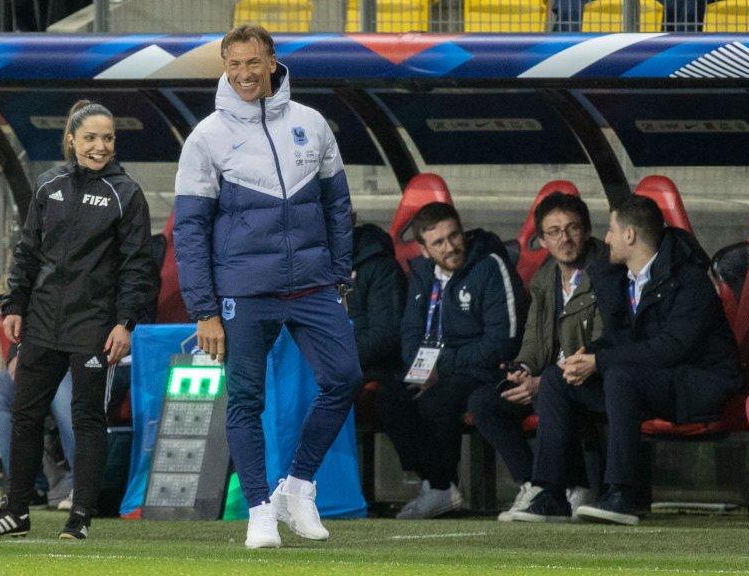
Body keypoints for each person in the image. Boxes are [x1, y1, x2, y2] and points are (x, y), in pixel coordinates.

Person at [173, 24, 361, 549]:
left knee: (345, 377)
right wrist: (204, 310)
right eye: (233, 65)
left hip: (313, 284)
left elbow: (338, 207)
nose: (243, 75)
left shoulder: (313, 123)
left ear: (272, 60)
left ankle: (297, 488)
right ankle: (258, 509)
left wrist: (340, 272)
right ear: (224, 67)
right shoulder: (206, 136)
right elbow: (187, 230)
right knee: (245, 400)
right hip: (244, 291)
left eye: (252, 63)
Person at [0, 100, 158, 540]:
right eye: (91, 137)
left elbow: (138, 267)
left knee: (86, 419)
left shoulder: (126, 194)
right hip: (41, 322)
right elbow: (28, 252)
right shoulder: (48, 185)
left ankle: (81, 517)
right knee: (25, 415)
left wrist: (124, 323)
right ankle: (15, 511)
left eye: (107, 138)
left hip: (93, 325)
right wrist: (13, 305)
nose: (100, 146)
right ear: (71, 139)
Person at [517, 195, 740, 525]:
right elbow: (621, 339)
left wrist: (602, 361)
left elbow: (670, 348)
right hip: (643, 381)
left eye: (610, 230)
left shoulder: (689, 280)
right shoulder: (619, 278)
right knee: (555, 378)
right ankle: (550, 492)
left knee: (620, 376)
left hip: (696, 383)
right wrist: (587, 356)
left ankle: (621, 493)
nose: (605, 239)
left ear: (630, 235)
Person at [383, 202, 526, 519]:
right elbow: (409, 330)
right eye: (439, 243)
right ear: (423, 249)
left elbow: (503, 341)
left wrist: (441, 366)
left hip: (480, 366)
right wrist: (419, 369)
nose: (450, 247)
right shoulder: (421, 273)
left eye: (454, 236)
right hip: (434, 367)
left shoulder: (489, 266)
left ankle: (440, 487)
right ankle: (438, 484)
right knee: (390, 398)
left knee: (438, 400)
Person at [470, 192, 604, 522]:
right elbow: (533, 338)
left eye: (572, 228)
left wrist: (541, 381)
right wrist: (525, 368)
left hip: (588, 377)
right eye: (554, 231)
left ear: (586, 231)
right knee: (485, 401)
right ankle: (535, 483)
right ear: (542, 239)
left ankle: (565, 485)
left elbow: (603, 340)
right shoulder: (545, 277)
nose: (565, 238)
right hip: (549, 376)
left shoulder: (605, 272)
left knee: (552, 390)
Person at [0, 344, 74, 510]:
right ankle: (27, 489)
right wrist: (16, 355)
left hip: (80, 361)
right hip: (40, 358)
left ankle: (81, 489)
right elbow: (22, 324)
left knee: (64, 393)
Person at [348, 219, 406, 392]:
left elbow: (384, 336)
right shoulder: (306, 266)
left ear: (352, 219)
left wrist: (330, 356)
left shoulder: (380, 266)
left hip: (369, 368)